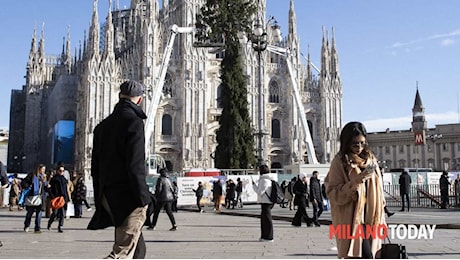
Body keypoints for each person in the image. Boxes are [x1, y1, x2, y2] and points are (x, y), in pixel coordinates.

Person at [88, 80, 152, 259]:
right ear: (139, 100)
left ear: (120, 96)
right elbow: (135, 165)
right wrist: (143, 196)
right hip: (128, 196)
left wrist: (101, 194)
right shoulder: (134, 122)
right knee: (122, 251)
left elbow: (95, 167)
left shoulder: (102, 126)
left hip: (108, 195)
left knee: (138, 249)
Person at [324, 121, 386, 259]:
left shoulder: (371, 160)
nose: (359, 147)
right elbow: (333, 192)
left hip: (372, 216)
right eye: (355, 144)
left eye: (362, 143)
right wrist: (357, 181)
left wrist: (382, 207)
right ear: (346, 143)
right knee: (362, 255)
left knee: (372, 254)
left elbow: (379, 188)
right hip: (351, 219)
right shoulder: (339, 162)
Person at [252, 164, 274, 242]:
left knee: (267, 220)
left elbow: (260, 192)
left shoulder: (265, 180)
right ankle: (264, 236)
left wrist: (254, 186)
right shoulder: (266, 179)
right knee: (264, 220)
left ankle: (269, 237)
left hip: (266, 202)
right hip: (265, 201)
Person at [22, 164, 47, 233]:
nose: (43, 171)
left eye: (44, 170)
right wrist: (29, 186)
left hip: (40, 198)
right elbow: (24, 183)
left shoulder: (43, 177)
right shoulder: (32, 175)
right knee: (30, 213)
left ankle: (37, 228)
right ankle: (27, 225)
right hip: (32, 197)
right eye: (42, 169)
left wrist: (45, 182)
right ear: (38, 169)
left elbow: (45, 187)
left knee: (39, 213)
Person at [47, 164, 70, 232]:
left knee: (62, 213)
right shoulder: (54, 179)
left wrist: (67, 198)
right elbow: (49, 189)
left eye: (63, 171)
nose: (61, 172)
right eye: (60, 171)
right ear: (57, 171)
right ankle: (50, 223)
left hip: (63, 198)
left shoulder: (64, 179)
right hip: (56, 198)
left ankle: (60, 226)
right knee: (55, 213)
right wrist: (52, 196)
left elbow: (66, 190)